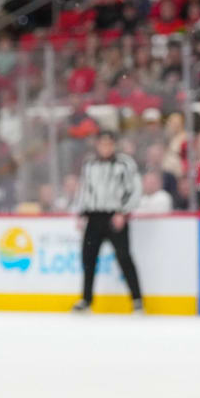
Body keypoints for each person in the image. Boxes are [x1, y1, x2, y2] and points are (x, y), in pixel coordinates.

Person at [70, 130, 144, 313]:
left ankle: (137, 300)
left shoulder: (125, 164)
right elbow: (84, 190)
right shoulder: (89, 164)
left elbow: (135, 189)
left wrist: (123, 212)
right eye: (102, 143)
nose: (105, 147)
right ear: (97, 145)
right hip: (94, 216)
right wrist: (81, 213)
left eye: (108, 143)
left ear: (114, 144)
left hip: (115, 216)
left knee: (124, 257)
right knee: (88, 258)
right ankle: (86, 299)